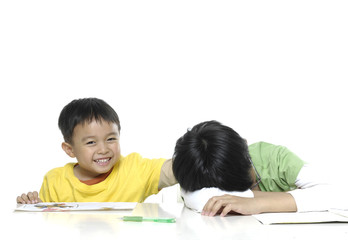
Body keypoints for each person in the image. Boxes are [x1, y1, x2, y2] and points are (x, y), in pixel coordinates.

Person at [17, 98, 177, 204]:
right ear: (70, 149)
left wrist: (201, 149)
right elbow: (44, 223)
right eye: (91, 142)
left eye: (111, 139)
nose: (103, 149)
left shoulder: (134, 169)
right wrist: (30, 206)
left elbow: (179, 167)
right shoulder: (55, 182)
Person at [172, 120, 336, 216]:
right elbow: (191, 195)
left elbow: (337, 194)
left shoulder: (274, 159)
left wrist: (256, 202)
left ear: (245, 144)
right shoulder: (197, 167)